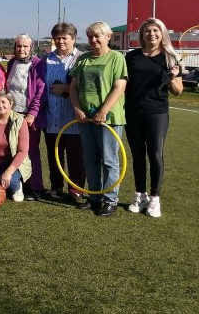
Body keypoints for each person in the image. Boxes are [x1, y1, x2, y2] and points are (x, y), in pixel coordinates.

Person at [125, 17, 183, 218]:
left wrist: (173, 77)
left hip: (157, 112)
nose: (152, 34)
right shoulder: (132, 56)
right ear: (142, 35)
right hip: (132, 112)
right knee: (137, 154)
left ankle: (155, 198)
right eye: (147, 31)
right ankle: (140, 195)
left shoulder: (170, 58)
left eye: (155, 31)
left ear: (162, 33)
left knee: (155, 154)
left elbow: (178, 91)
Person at [69, 22, 127, 217]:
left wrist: (103, 111)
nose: (93, 40)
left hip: (108, 119)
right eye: (90, 36)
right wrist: (77, 108)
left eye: (97, 36)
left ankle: (110, 200)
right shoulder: (83, 59)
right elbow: (73, 87)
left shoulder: (116, 58)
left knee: (109, 160)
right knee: (90, 159)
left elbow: (119, 87)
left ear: (108, 37)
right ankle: (95, 197)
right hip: (86, 119)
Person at [42, 23, 85, 202]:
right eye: (57, 38)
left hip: (73, 118)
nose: (60, 41)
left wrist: (65, 88)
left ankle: (76, 189)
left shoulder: (82, 59)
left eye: (64, 38)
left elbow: (86, 87)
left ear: (73, 39)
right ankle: (56, 187)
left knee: (76, 156)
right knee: (54, 156)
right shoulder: (47, 59)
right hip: (51, 117)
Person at [5, 34, 46, 200]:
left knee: (30, 151)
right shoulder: (11, 63)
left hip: (28, 116)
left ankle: (36, 187)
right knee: (12, 149)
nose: (21, 49)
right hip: (12, 114)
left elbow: (40, 91)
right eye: (18, 46)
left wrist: (32, 113)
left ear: (31, 48)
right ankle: (16, 184)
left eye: (25, 46)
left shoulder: (37, 64)